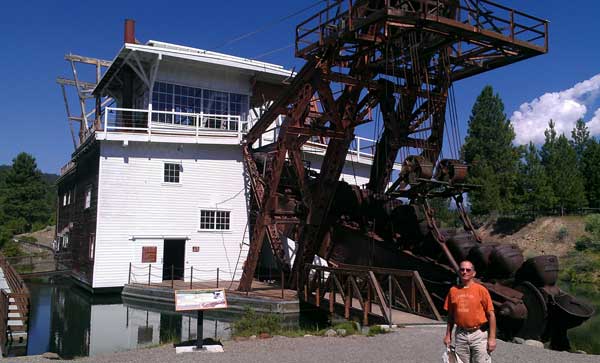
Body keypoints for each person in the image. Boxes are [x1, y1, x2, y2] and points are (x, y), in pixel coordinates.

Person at [443, 260, 496, 363]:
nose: (465, 272)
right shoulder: (453, 291)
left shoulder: (481, 290)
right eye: (462, 269)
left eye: (468, 270)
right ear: (459, 272)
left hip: (478, 333)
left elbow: (491, 315)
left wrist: (492, 338)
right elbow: (451, 316)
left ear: (474, 273)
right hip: (461, 334)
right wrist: (448, 335)